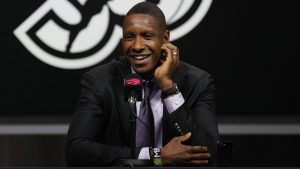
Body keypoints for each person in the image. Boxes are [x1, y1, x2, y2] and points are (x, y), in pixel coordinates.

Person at [66, 2, 219, 166]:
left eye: (147, 36)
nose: (137, 46)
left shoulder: (197, 82)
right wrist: (156, 156)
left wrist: (168, 87)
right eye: (129, 37)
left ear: (165, 38)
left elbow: (208, 155)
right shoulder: (99, 81)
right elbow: (76, 151)